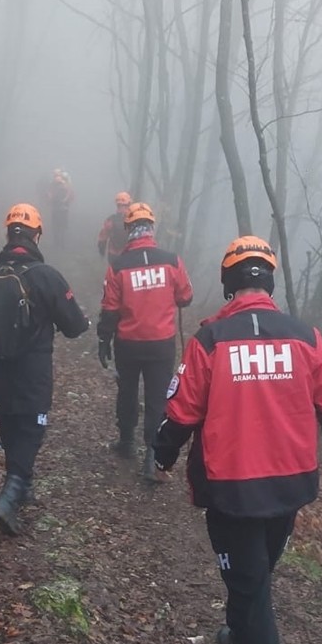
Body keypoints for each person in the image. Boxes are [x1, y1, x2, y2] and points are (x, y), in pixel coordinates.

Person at [152, 236, 322, 644]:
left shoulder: (212, 340)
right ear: (269, 280)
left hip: (232, 489)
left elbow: (182, 412)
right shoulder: (305, 337)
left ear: (229, 282)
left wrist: (163, 452)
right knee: (253, 575)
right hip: (289, 486)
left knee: (250, 586)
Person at [0, 203, 90, 536]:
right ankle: (10, 496)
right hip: (33, 370)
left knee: (10, 423)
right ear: (37, 235)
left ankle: (22, 486)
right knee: (32, 429)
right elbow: (73, 327)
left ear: (8, 233)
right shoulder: (47, 277)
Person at [97, 202, 193, 482]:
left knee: (126, 392)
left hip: (128, 343)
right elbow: (186, 298)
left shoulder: (118, 266)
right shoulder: (172, 260)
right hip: (161, 343)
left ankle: (127, 442)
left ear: (128, 230)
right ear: (152, 228)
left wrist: (104, 339)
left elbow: (110, 309)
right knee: (157, 398)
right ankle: (152, 458)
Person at [97, 191, 132, 260]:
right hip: (128, 254)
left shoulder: (111, 220)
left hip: (114, 254)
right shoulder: (134, 219)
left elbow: (103, 236)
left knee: (114, 270)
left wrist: (101, 249)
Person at [46, 169, 74, 243]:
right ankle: (57, 240)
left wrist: (65, 200)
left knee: (62, 224)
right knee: (56, 224)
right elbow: (49, 193)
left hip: (63, 206)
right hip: (56, 206)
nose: (57, 177)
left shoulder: (65, 184)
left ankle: (61, 240)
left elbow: (69, 192)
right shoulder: (52, 184)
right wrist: (50, 198)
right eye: (55, 175)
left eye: (58, 175)